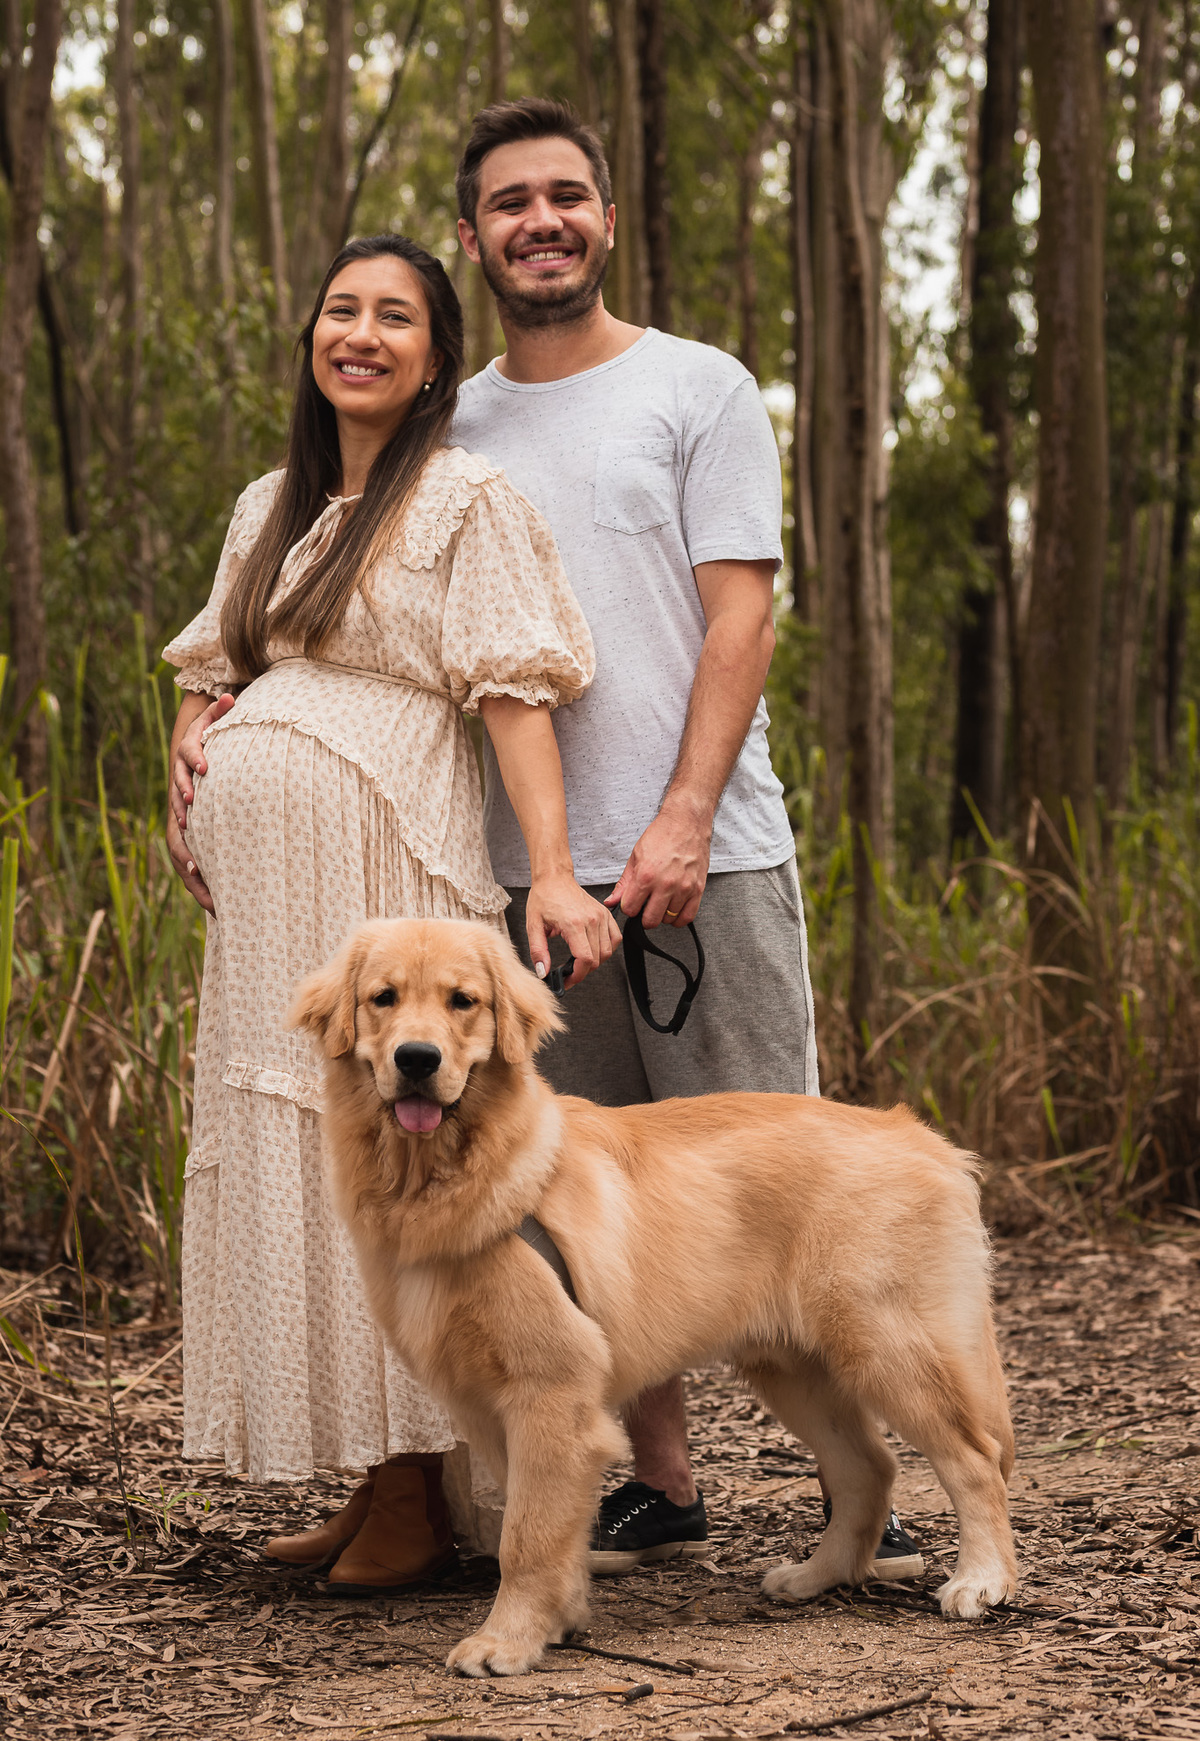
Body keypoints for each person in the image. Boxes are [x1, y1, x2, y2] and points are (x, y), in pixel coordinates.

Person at [449, 98, 924, 1582]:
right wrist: (211, 698)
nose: (542, 222)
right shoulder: (450, 421)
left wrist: (681, 818)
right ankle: (659, 1483)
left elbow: (741, 614)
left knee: (784, 1190)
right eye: (511, 203)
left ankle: (873, 1499)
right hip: (524, 876)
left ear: (605, 216)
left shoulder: (698, 387)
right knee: (582, 1192)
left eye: (566, 196)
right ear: (473, 237)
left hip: (708, 855)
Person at [163, 231, 620, 1593]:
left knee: (400, 1162)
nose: (360, 334)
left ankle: (425, 1492)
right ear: (313, 338)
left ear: (434, 362)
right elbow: (213, 664)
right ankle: (374, 1482)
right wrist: (188, 761)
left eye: (396, 319)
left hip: (385, 863)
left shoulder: (464, 499)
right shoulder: (270, 506)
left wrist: (549, 870)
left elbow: (515, 696)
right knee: (317, 1169)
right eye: (340, 312)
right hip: (272, 909)